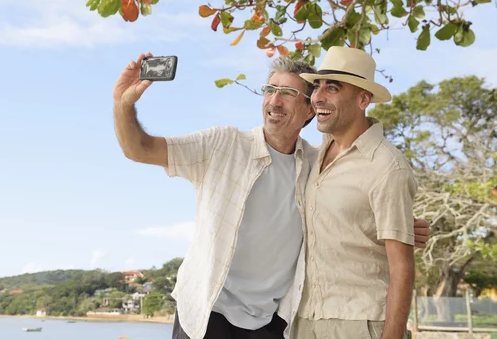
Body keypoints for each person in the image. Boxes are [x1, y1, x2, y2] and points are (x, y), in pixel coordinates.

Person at [112, 52, 429, 339]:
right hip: (209, 316)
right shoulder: (222, 145)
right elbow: (138, 149)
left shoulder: (317, 163)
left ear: (309, 110)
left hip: (274, 324)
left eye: (289, 94)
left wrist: (397, 226)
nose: (275, 101)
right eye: (270, 90)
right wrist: (123, 103)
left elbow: (349, 209)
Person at [294, 46, 417, 339]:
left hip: (358, 323)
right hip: (303, 319)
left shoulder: (387, 166)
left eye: (332, 88)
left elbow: (403, 266)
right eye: (317, 86)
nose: (318, 97)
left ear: (363, 99)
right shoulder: (312, 156)